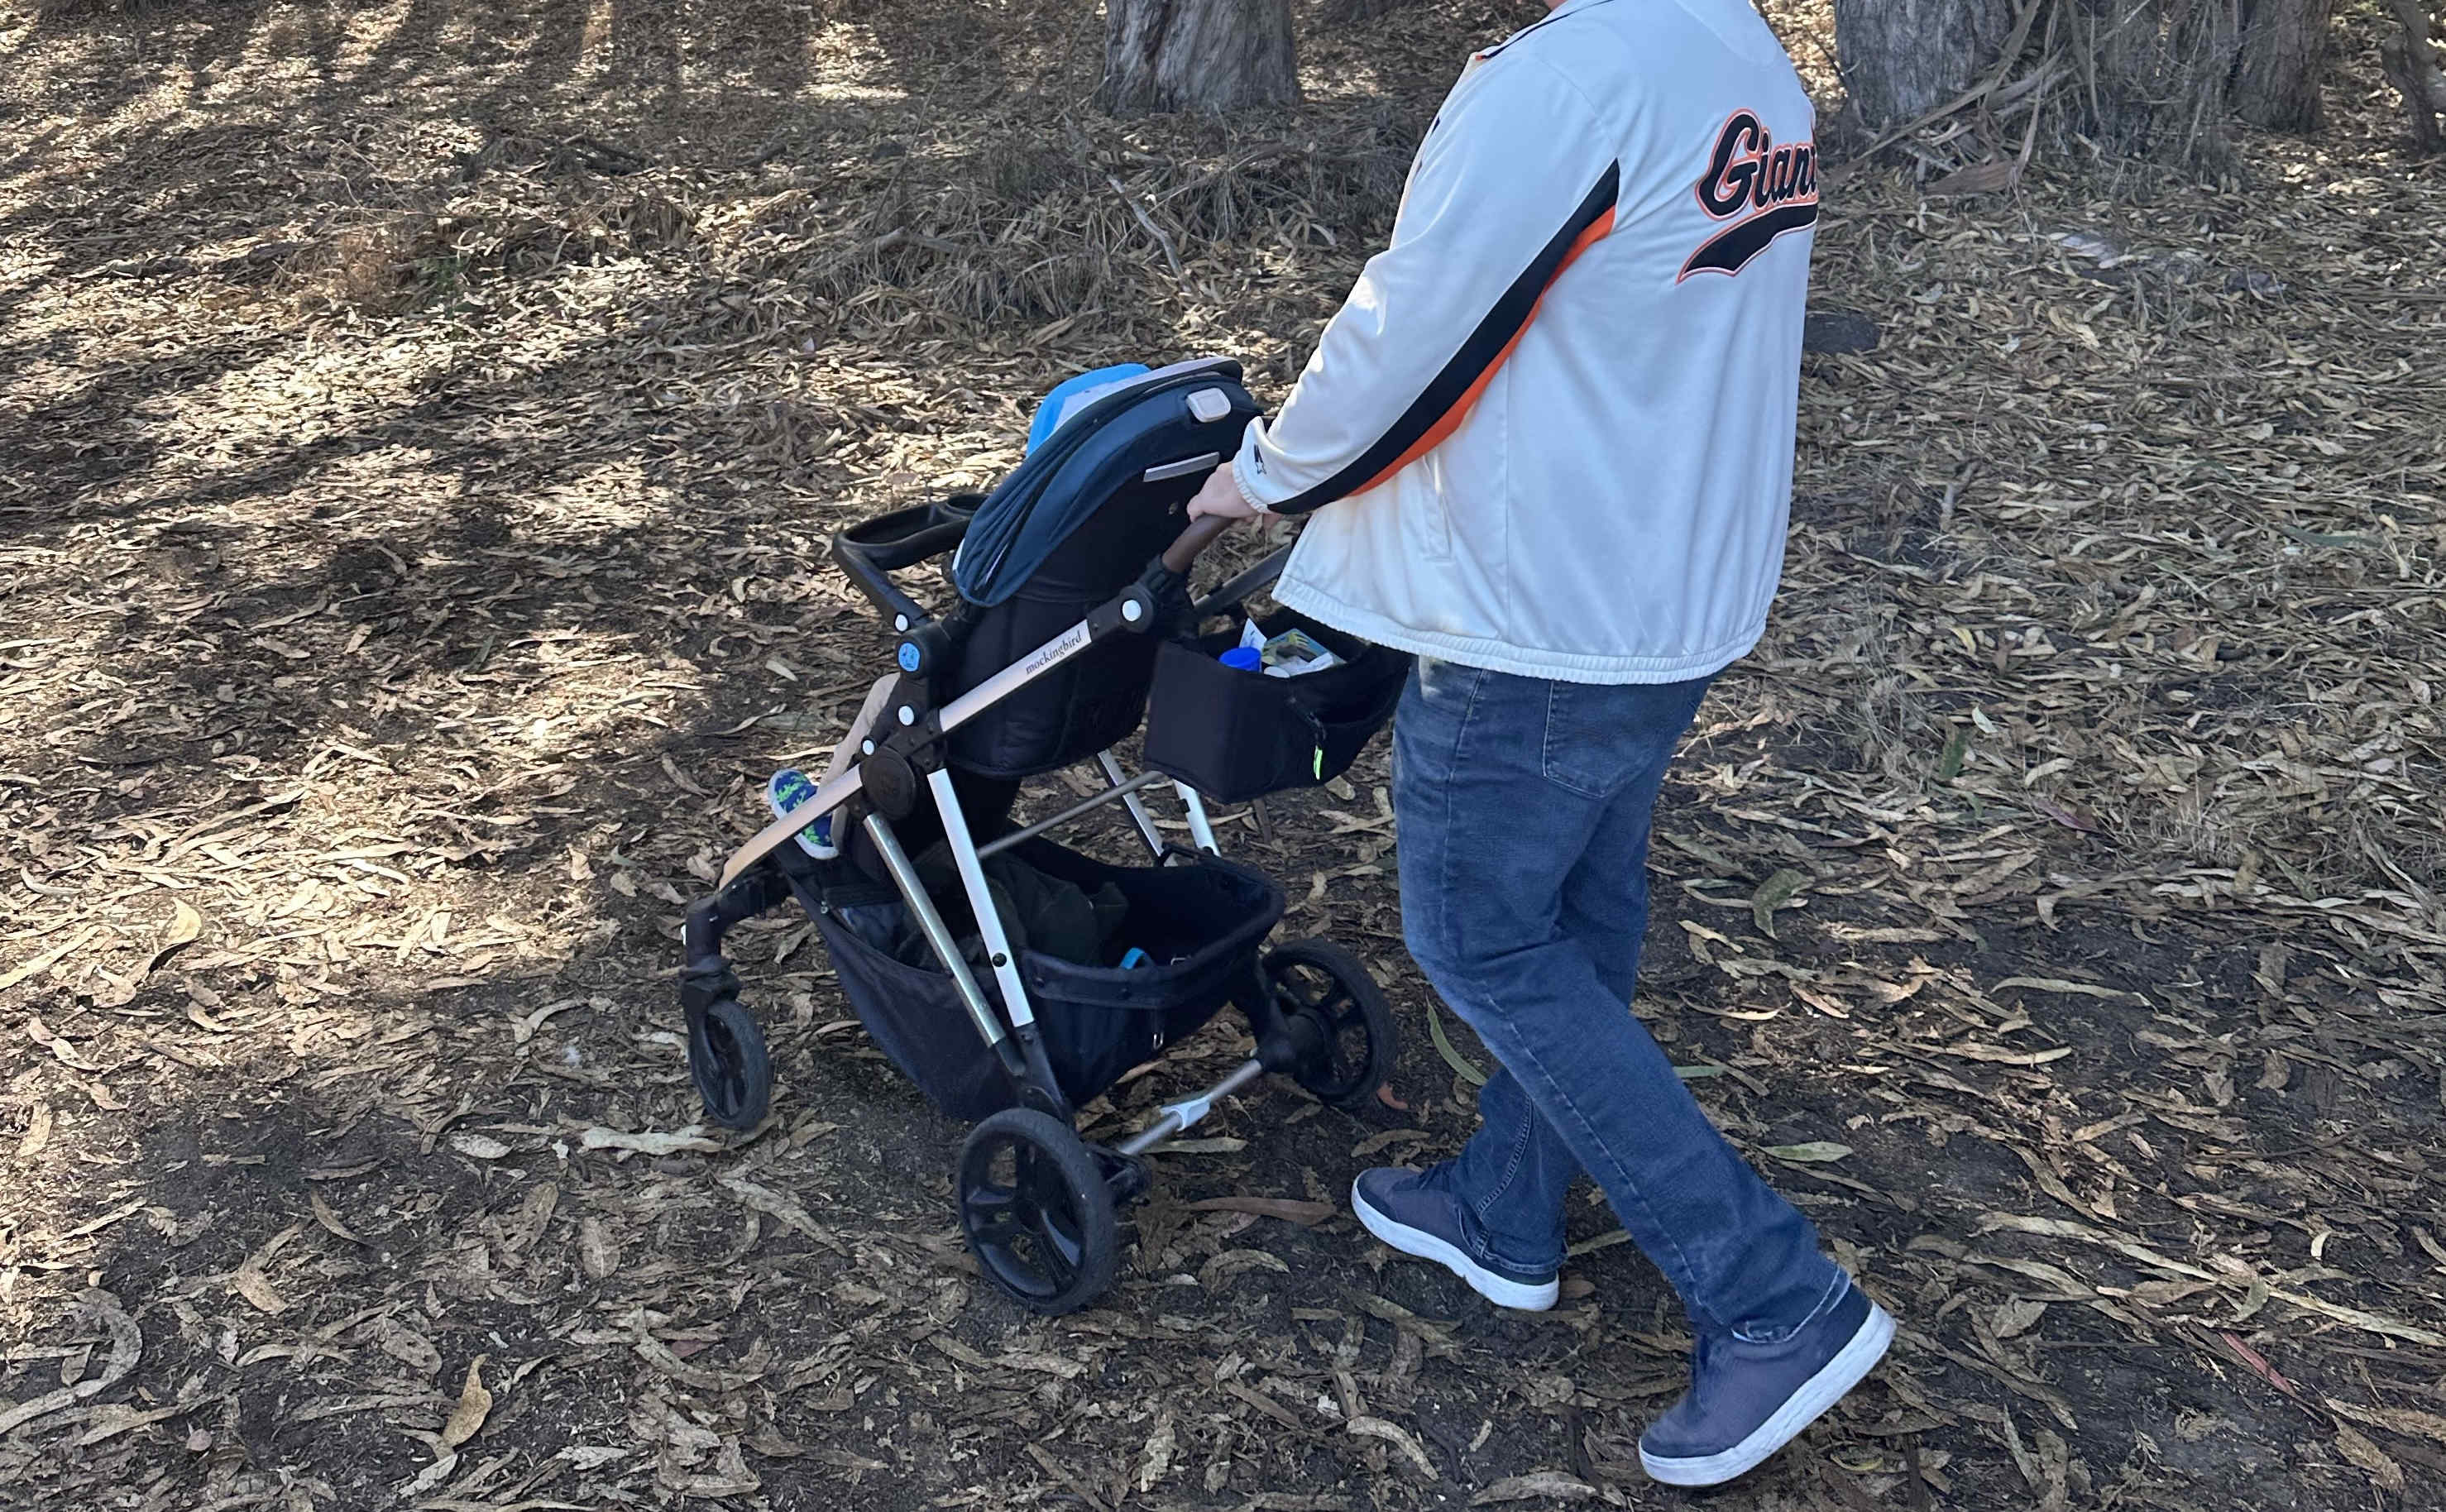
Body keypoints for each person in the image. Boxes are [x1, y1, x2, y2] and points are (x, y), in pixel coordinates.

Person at [1185, 0, 1888, 1488]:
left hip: (1540, 608)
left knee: (1478, 938)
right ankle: (1507, 1210)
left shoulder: (1568, 77)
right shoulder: (1744, 54)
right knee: (1575, 918)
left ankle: (1770, 1298)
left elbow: (1419, 329)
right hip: (1674, 585)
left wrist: (1260, 478)